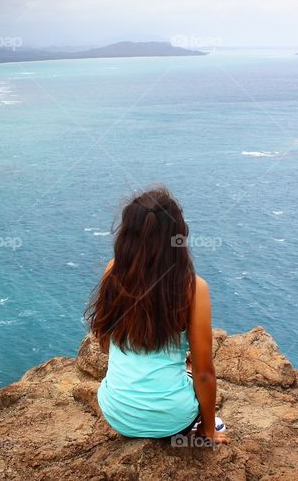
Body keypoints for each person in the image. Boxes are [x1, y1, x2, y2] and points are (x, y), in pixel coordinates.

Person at [86, 185, 231, 446]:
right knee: (188, 372)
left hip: (117, 414)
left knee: (179, 370)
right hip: (171, 421)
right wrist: (208, 431)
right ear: (178, 235)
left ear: (127, 235)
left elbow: (106, 344)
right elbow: (204, 373)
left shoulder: (113, 272)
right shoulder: (193, 288)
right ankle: (202, 425)